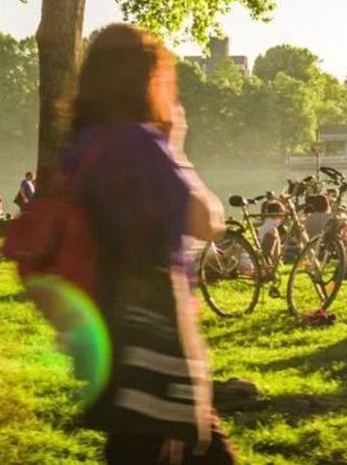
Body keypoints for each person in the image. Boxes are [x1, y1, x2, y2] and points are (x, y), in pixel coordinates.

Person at [64, 24, 233, 463]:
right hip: (155, 344)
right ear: (148, 79)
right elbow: (206, 220)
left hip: (108, 335)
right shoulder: (141, 144)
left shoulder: (83, 148)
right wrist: (176, 144)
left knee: (133, 448)